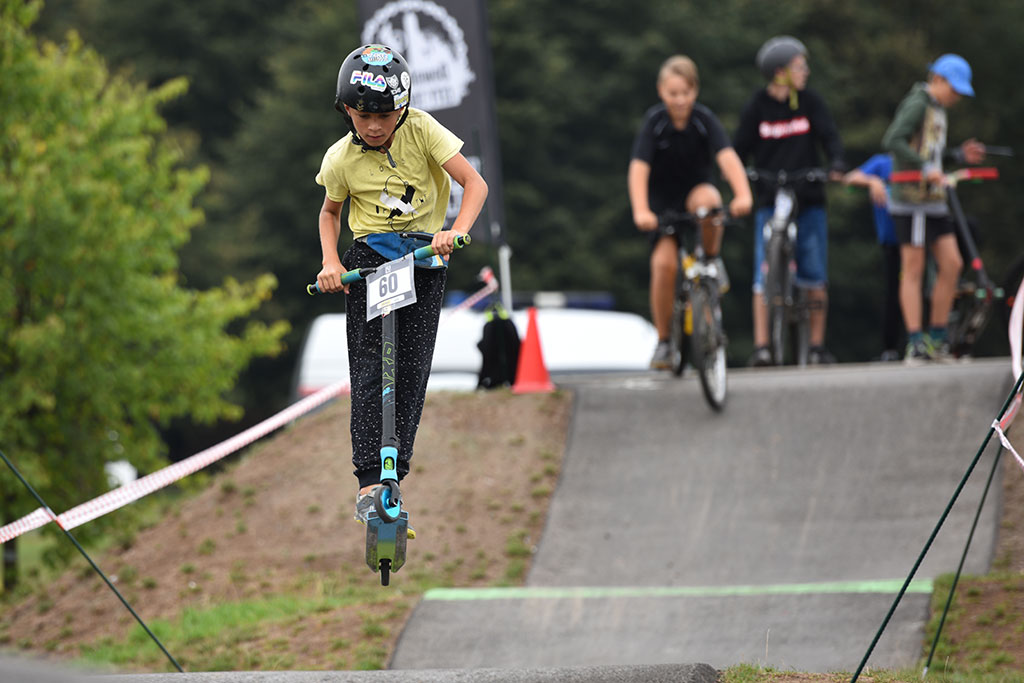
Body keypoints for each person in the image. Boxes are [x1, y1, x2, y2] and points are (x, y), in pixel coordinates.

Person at [314, 44, 488, 534]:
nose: (373, 125)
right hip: (369, 258)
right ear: (346, 110)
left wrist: (454, 230)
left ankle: (395, 473)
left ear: (403, 109)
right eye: (363, 114)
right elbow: (330, 214)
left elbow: (473, 185)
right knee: (371, 364)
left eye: (385, 115)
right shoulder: (341, 158)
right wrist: (330, 261)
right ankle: (369, 482)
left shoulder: (424, 130)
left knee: (411, 367)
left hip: (424, 256)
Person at [628, 55, 753, 370]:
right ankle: (664, 341)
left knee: (710, 202)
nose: (680, 100)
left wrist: (742, 194)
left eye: (685, 93)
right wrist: (642, 210)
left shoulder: (704, 119)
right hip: (662, 205)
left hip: (695, 193)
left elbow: (726, 157)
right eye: (673, 94)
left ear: (694, 91)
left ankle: (710, 260)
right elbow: (639, 169)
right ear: (661, 91)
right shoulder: (654, 123)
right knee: (664, 265)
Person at [733, 36, 845, 366]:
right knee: (761, 273)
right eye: (799, 66)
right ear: (779, 72)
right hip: (770, 199)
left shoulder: (810, 103)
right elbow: (737, 151)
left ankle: (815, 346)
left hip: (808, 199)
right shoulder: (757, 107)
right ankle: (763, 347)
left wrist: (836, 164)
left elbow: (831, 139)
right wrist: (739, 175)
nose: (805, 71)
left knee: (814, 273)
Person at [881, 54, 985, 364]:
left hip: (935, 200)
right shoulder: (918, 103)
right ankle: (916, 343)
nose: (956, 98)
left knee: (952, 263)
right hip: (911, 200)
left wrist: (956, 156)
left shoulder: (938, 109)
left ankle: (938, 338)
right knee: (912, 269)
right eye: (954, 90)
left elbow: (931, 153)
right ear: (937, 80)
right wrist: (924, 167)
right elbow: (893, 140)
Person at [842, 154, 903, 361]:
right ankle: (891, 347)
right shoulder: (883, 163)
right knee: (893, 292)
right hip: (893, 240)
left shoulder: (927, 160)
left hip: (921, 237)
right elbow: (850, 177)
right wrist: (873, 180)